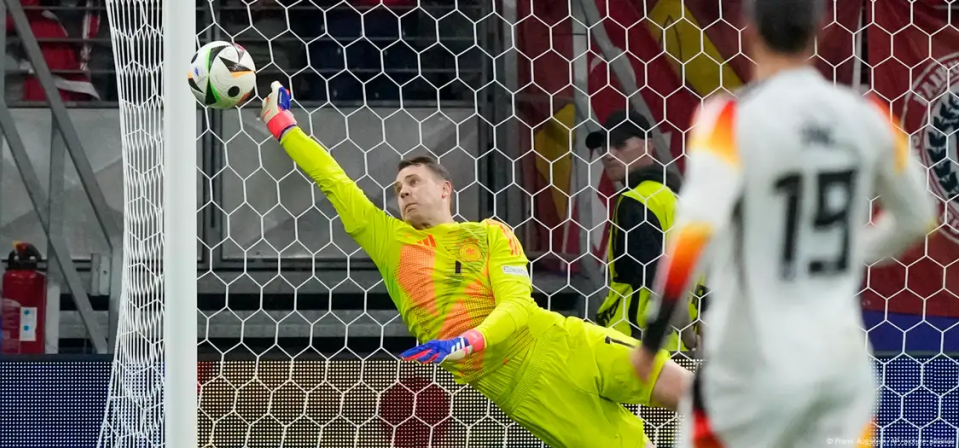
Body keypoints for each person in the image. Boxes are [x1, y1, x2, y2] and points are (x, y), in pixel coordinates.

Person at [261, 81, 693, 448]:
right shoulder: (392, 242)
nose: (404, 193)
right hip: (528, 388)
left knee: (690, 391)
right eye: (397, 189)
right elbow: (334, 181)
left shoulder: (491, 233)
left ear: (445, 189)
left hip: (565, 342)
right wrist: (285, 128)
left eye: (413, 182)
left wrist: (465, 342)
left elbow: (518, 305)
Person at [629, 0, 937, 447]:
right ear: (821, 29)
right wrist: (853, 250)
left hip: (751, 368)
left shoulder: (730, 120)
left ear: (747, 29)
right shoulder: (866, 116)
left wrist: (653, 339)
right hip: (840, 368)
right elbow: (919, 214)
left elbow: (695, 231)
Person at [587, 109, 703, 353]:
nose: (608, 154)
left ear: (649, 146)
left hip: (636, 347)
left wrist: (691, 338)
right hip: (675, 347)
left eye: (619, 144)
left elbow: (660, 283)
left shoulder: (636, 201)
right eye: (604, 146)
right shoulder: (678, 199)